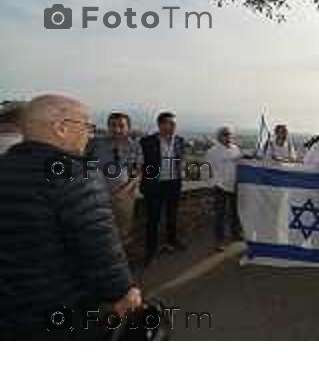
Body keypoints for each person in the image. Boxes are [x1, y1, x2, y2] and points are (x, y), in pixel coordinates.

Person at [0, 94, 141, 340]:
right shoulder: (77, 174)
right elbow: (99, 247)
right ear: (61, 128)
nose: (89, 133)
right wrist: (123, 293)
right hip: (61, 307)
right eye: (86, 125)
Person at [87, 112, 142, 248]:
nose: (117, 129)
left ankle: (121, 259)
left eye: (121, 126)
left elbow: (137, 172)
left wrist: (124, 192)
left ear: (128, 128)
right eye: (113, 125)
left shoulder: (134, 147)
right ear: (108, 127)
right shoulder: (94, 144)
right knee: (98, 229)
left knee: (123, 230)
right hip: (98, 195)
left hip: (125, 197)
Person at [139, 111, 186, 264]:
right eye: (169, 123)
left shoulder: (179, 140)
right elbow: (141, 164)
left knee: (172, 215)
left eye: (174, 124)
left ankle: (172, 241)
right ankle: (150, 251)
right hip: (155, 185)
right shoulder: (147, 141)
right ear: (160, 125)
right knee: (153, 219)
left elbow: (180, 161)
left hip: (174, 183)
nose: (173, 127)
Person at [206, 126, 243, 251]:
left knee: (235, 213)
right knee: (220, 215)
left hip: (234, 185)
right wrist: (212, 183)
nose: (227, 137)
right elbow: (208, 168)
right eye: (225, 134)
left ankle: (235, 234)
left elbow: (239, 164)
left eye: (229, 135)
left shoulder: (236, 149)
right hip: (220, 186)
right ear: (219, 136)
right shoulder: (213, 151)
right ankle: (219, 241)